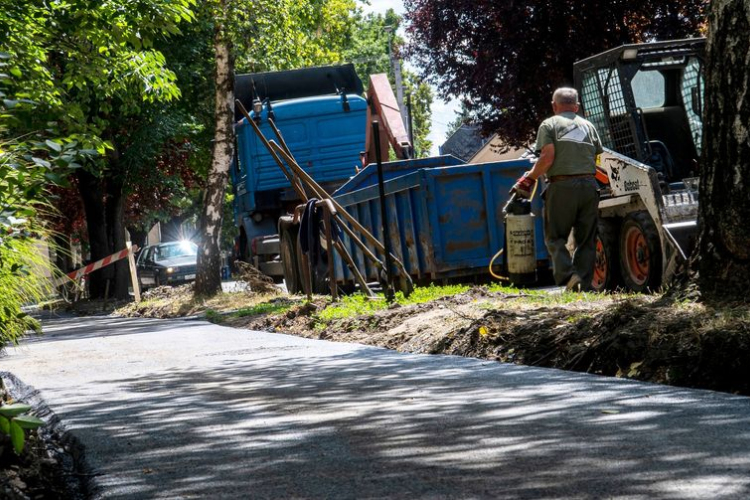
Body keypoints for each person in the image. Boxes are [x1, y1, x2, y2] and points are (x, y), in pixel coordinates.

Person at [512, 87, 603, 291]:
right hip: (590, 186)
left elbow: (547, 158)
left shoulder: (549, 124)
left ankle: (569, 276)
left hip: (562, 186)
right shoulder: (589, 126)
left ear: (554, 106)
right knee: (587, 240)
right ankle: (582, 287)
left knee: (555, 237)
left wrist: (529, 179)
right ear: (577, 106)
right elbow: (597, 156)